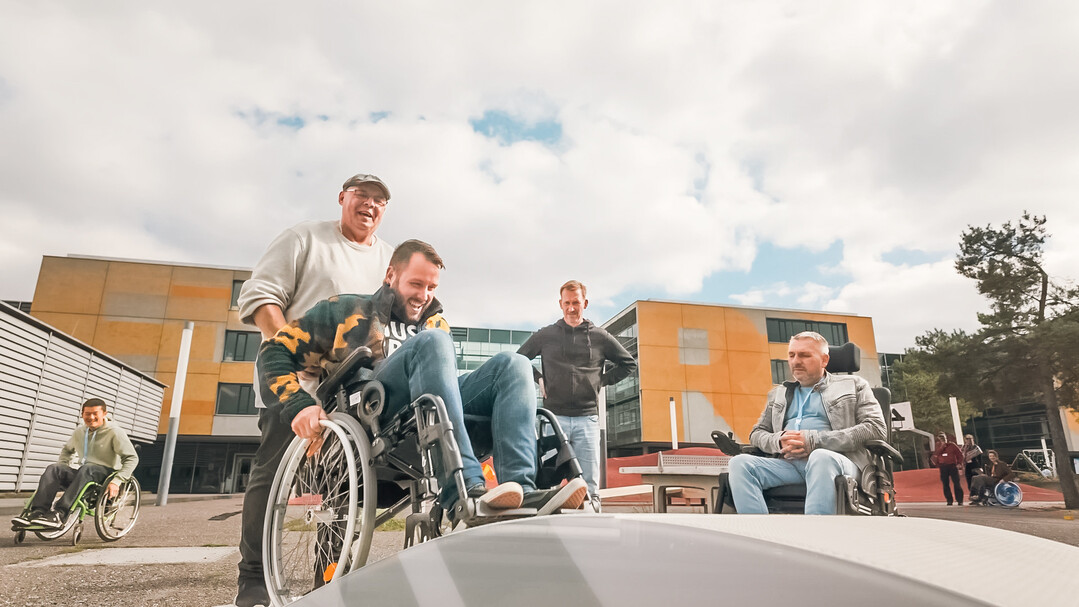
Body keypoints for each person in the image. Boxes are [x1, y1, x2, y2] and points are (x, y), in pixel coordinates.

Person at [259, 240, 587, 523]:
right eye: (416, 284)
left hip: (428, 412)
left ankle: (522, 492)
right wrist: (299, 405)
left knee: (514, 364)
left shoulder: (435, 321)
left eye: (432, 288)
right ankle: (462, 488)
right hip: (373, 411)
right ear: (390, 276)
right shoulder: (345, 310)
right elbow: (274, 352)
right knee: (433, 342)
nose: (424, 295)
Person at [233, 173, 395, 607]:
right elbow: (262, 297)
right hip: (295, 377)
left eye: (379, 200)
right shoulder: (304, 238)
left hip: (352, 385)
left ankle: (331, 575)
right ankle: (253, 579)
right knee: (272, 470)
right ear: (343, 198)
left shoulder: (389, 259)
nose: (370, 205)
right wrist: (290, 351)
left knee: (342, 480)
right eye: (361, 196)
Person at [727, 331, 886, 515]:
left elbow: (875, 428)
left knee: (820, 457)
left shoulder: (854, 385)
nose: (796, 361)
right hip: (788, 465)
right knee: (740, 463)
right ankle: (759, 535)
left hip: (840, 461)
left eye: (804, 355)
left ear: (824, 360)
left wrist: (814, 441)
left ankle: (815, 535)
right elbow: (757, 433)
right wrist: (779, 441)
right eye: (791, 355)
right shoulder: (778, 393)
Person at [517, 280, 637, 509]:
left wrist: (600, 381)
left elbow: (628, 364)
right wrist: (539, 378)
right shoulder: (546, 335)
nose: (571, 308)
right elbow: (519, 359)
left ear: (586, 303)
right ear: (560, 304)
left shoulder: (600, 337)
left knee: (589, 488)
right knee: (546, 483)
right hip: (553, 420)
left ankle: (592, 530)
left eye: (576, 303)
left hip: (587, 420)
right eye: (567, 303)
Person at [12, 398, 138, 529]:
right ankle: (37, 512)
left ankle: (60, 514)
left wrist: (117, 480)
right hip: (85, 473)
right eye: (87, 414)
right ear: (82, 414)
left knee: (88, 468)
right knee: (54, 468)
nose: (91, 417)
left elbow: (132, 458)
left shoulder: (115, 432)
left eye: (96, 413)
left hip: (107, 474)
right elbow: (67, 450)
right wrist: (63, 465)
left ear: (104, 414)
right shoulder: (79, 432)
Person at [932, 432, 965, 505]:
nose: (942, 440)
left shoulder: (952, 445)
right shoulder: (938, 446)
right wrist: (942, 447)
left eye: (943, 438)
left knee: (956, 483)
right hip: (943, 466)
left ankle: (960, 500)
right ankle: (949, 500)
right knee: (945, 484)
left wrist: (959, 463)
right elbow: (935, 455)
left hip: (952, 466)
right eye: (940, 439)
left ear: (946, 438)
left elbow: (960, 454)